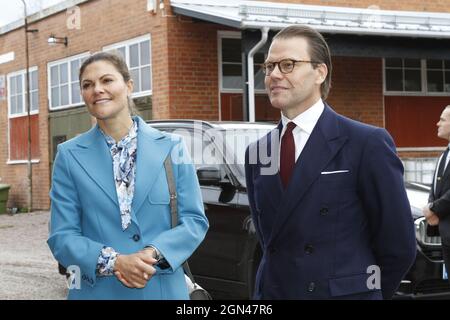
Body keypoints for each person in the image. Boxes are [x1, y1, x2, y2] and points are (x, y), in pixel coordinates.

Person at [244, 25, 416, 300]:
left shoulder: (365, 143)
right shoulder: (257, 152)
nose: (274, 74)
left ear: (320, 72)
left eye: (288, 65)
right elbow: (269, 244)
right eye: (269, 66)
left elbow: (399, 245)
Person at [47, 51, 208, 299]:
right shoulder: (69, 156)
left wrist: (153, 253)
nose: (97, 89)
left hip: (162, 289)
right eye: (87, 85)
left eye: (107, 80)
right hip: (96, 292)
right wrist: (116, 262)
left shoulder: (172, 147)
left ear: (129, 85)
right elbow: (62, 236)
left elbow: (194, 221)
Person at [423, 105, 450, 283]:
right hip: (446, 235)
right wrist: (431, 208)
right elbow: (436, 187)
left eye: (443, 119)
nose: (437, 123)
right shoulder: (444, 154)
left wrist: (433, 208)